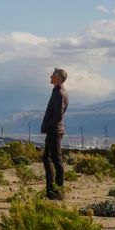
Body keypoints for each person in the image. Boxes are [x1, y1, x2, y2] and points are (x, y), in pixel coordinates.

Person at [41, 67, 69, 199]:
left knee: (56, 161)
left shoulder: (59, 93)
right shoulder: (56, 91)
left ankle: (57, 192)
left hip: (55, 131)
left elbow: (58, 116)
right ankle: (51, 190)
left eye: (52, 75)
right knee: (47, 158)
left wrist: (48, 126)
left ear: (58, 78)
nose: (50, 76)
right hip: (53, 130)